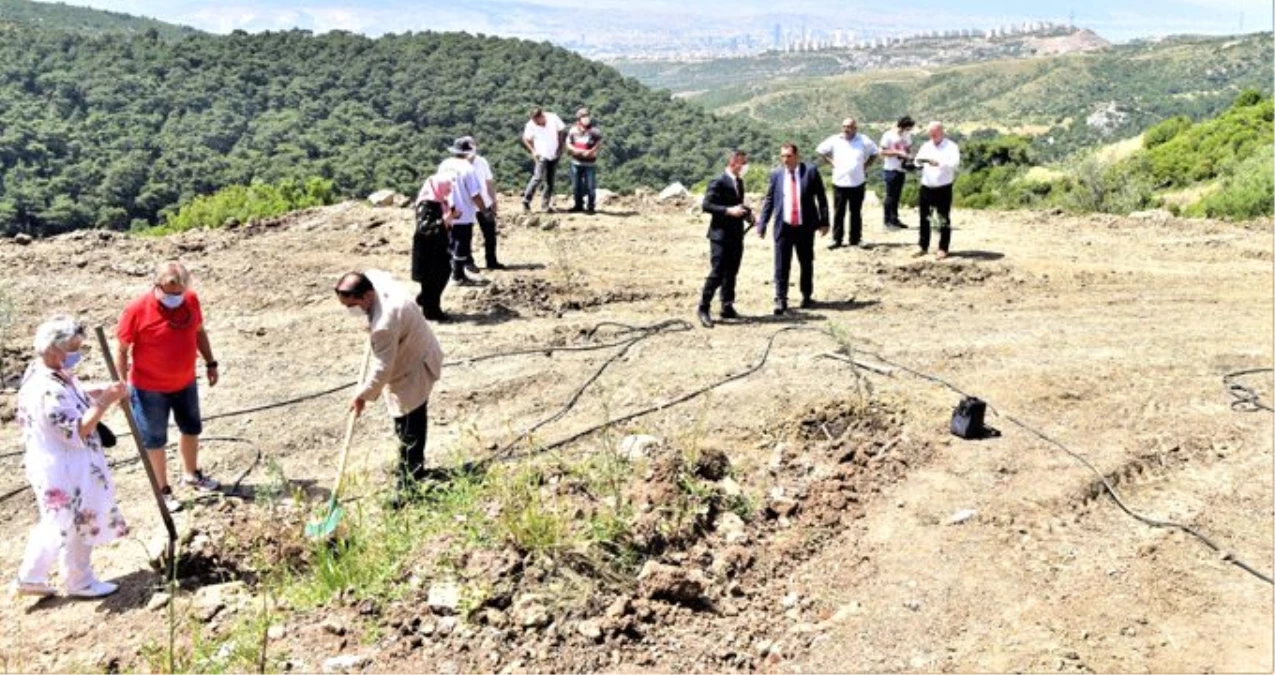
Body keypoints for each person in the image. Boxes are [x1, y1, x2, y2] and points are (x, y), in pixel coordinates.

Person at [14, 316, 130, 599]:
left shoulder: (45, 372)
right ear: (54, 349)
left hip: (59, 465)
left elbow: (73, 394)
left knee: (60, 521)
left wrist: (100, 391)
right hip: (66, 469)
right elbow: (78, 429)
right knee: (74, 521)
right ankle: (78, 581)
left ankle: (35, 576)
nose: (76, 355)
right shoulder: (47, 390)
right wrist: (104, 402)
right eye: (73, 348)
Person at [115, 261, 219, 513]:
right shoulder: (137, 310)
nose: (176, 298)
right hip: (149, 388)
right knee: (155, 440)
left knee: (191, 428)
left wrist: (210, 362)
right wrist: (122, 386)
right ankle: (163, 490)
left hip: (185, 381)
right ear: (157, 285)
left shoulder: (191, 300)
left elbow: (199, 332)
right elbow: (121, 349)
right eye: (170, 294)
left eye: (179, 293)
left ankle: (191, 474)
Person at [335, 270, 444, 506]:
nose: (350, 311)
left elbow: (383, 368)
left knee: (409, 427)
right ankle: (414, 470)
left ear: (367, 295)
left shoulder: (384, 325)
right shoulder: (375, 280)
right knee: (411, 422)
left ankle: (409, 485)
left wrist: (362, 395)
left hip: (414, 368)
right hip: (416, 349)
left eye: (352, 305)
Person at [757, 143, 830, 315]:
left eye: (789, 156)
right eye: (782, 156)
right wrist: (763, 223)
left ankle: (806, 295)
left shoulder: (810, 172)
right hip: (784, 226)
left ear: (797, 156)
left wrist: (824, 221)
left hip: (805, 226)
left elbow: (821, 197)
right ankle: (780, 299)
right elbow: (769, 200)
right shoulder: (776, 174)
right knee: (781, 263)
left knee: (806, 262)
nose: (785, 160)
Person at [697, 149, 753, 328]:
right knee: (718, 271)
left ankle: (727, 305)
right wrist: (728, 211)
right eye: (743, 163)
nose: (745, 166)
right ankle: (703, 308)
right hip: (720, 234)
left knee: (732, 271)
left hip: (736, 233)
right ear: (733, 162)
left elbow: (738, 203)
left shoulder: (739, 182)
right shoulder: (718, 180)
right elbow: (707, 205)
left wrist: (748, 215)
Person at [816, 117, 878, 249]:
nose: (846, 129)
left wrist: (866, 165)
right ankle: (836, 240)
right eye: (844, 126)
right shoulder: (835, 139)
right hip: (839, 182)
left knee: (856, 212)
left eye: (849, 127)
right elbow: (820, 150)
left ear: (855, 128)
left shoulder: (863, 139)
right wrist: (830, 161)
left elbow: (875, 152)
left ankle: (855, 239)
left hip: (858, 182)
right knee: (839, 212)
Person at [437, 137, 488, 286]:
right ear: (468, 152)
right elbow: (475, 194)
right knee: (461, 244)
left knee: (450, 242)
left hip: (446, 210)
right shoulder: (468, 169)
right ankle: (457, 276)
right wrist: (484, 210)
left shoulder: (444, 164)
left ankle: (450, 273)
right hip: (463, 211)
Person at [913, 121, 961, 260]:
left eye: (935, 133)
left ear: (941, 132)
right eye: (930, 133)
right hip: (926, 186)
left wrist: (939, 163)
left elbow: (955, 164)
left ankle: (943, 248)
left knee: (943, 218)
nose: (932, 135)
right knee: (924, 218)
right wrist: (921, 161)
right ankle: (922, 246)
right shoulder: (926, 146)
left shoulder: (951, 147)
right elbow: (917, 161)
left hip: (943, 187)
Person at [412, 169, 455, 321]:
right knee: (431, 279)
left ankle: (426, 300)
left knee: (442, 273)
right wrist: (446, 220)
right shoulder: (426, 203)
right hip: (427, 247)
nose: (449, 190)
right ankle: (431, 311)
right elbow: (424, 227)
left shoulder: (440, 201)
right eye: (447, 187)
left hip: (438, 245)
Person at [520, 107, 567, 213]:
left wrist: (560, 147)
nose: (536, 123)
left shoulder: (553, 118)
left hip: (554, 153)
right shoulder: (531, 124)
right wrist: (533, 150)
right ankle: (526, 201)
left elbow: (562, 131)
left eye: (537, 121)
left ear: (542, 116)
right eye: (534, 121)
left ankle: (545, 205)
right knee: (537, 177)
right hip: (541, 154)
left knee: (550, 180)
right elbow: (525, 138)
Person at [468, 137, 505, 270]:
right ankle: (468, 262)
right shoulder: (459, 165)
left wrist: (494, 201)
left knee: (490, 234)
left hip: (485, 202)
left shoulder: (482, 161)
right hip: (467, 206)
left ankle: (491, 261)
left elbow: (489, 182)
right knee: (466, 235)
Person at [879, 116, 916, 230]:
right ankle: (887, 221)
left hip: (901, 168)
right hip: (890, 169)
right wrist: (897, 153)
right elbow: (882, 151)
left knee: (897, 196)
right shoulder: (888, 135)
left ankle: (894, 219)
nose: (908, 131)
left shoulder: (907, 136)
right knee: (890, 196)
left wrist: (909, 156)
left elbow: (909, 148)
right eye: (907, 128)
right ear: (902, 126)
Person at [565, 107, 603, 215]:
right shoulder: (573, 130)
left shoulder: (595, 131)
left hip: (590, 163)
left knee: (590, 186)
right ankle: (578, 205)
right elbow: (568, 143)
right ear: (579, 119)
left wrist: (591, 151)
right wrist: (575, 150)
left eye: (587, 116)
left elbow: (599, 143)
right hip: (576, 162)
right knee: (576, 186)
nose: (586, 119)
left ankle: (591, 207)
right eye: (583, 117)